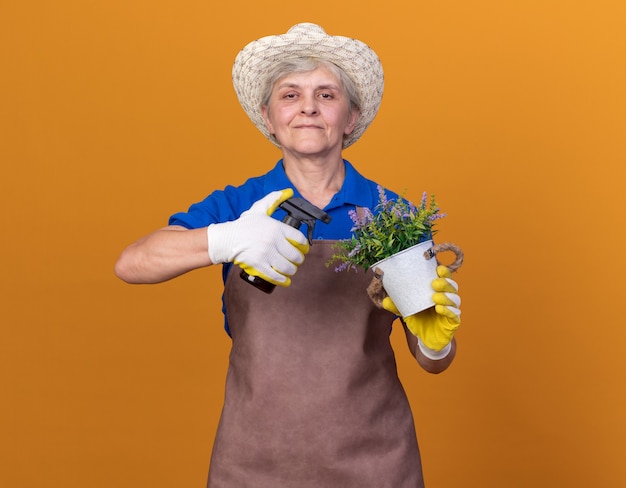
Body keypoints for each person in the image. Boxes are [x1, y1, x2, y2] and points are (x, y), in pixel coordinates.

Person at [115, 23, 462, 488]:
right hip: (255, 460)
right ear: (269, 116)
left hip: (375, 460)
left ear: (351, 117)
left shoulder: (391, 214)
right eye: (290, 95)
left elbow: (433, 361)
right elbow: (132, 263)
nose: (308, 109)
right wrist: (225, 239)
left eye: (326, 95)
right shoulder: (239, 206)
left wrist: (435, 339)